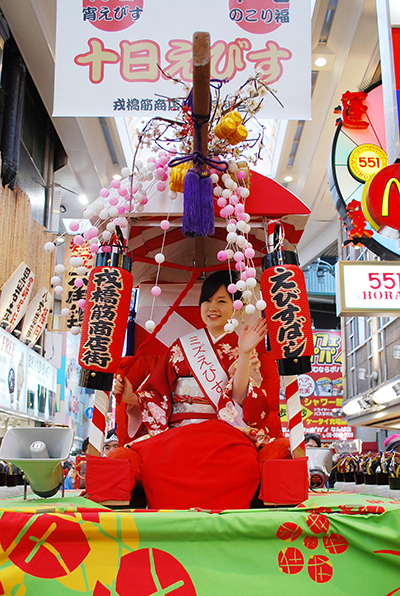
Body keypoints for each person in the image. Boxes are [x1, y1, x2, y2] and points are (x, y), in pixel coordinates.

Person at [111, 270, 290, 510]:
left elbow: (238, 400)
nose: (212, 307)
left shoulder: (242, 346)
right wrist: (128, 396)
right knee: (155, 455)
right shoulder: (181, 346)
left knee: (239, 459)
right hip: (176, 428)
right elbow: (156, 394)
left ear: (236, 308)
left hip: (223, 428)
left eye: (221, 301)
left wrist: (246, 354)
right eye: (207, 300)